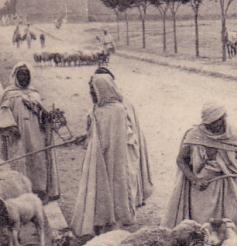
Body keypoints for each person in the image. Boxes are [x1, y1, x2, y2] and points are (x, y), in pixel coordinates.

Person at [164, 103, 237, 240]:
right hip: (203, 187)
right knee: (203, 222)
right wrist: (195, 179)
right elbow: (181, 160)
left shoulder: (233, 134)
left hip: (229, 186)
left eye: (216, 122)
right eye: (209, 124)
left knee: (232, 218)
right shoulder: (194, 135)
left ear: (223, 118)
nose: (213, 126)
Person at [71, 71, 142, 235]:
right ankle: (100, 222)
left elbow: (129, 137)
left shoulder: (119, 110)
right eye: (91, 91)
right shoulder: (96, 110)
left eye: (94, 91)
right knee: (99, 189)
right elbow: (94, 133)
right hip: (99, 158)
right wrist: (85, 137)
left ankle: (114, 224)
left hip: (116, 159)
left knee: (116, 188)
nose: (91, 94)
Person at [93, 66, 153, 208]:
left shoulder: (123, 105)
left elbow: (131, 131)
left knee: (126, 173)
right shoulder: (102, 105)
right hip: (115, 147)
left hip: (126, 146)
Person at [0, 63, 59, 202]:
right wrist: (10, 126)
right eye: (21, 74)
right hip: (17, 135)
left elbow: (41, 113)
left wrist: (47, 117)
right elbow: (3, 112)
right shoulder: (9, 94)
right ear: (15, 76)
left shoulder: (34, 93)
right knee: (20, 160)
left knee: (37, 159)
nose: (24, 77)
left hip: (35, 134)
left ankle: (39, 190)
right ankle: (20, 192)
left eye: (26, 74)